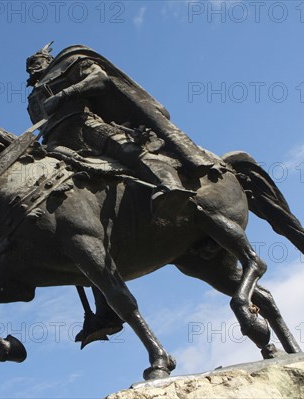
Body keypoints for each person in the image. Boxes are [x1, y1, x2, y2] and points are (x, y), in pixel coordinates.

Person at [25, 42, 223, 345]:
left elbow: (99, 79)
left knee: (126, 150)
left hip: (86, 125)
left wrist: (65, 94)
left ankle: (169, 184)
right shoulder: (33, 98)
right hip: (58, 146)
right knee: (64, 213)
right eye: (30, 65)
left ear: (48, 60)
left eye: (37, 61)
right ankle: (103, 310)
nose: (33, 67)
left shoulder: (68, 66)